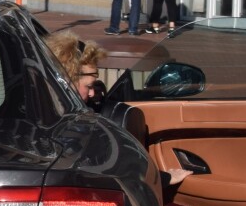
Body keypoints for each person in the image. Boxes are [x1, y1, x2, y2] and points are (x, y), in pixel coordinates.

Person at [43, 31, 191, 188]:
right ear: (66, 80)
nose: (93, 93)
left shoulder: (42, 109)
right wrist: (164, 178)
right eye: (89, 86)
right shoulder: (70, 123)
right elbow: (113, 165)